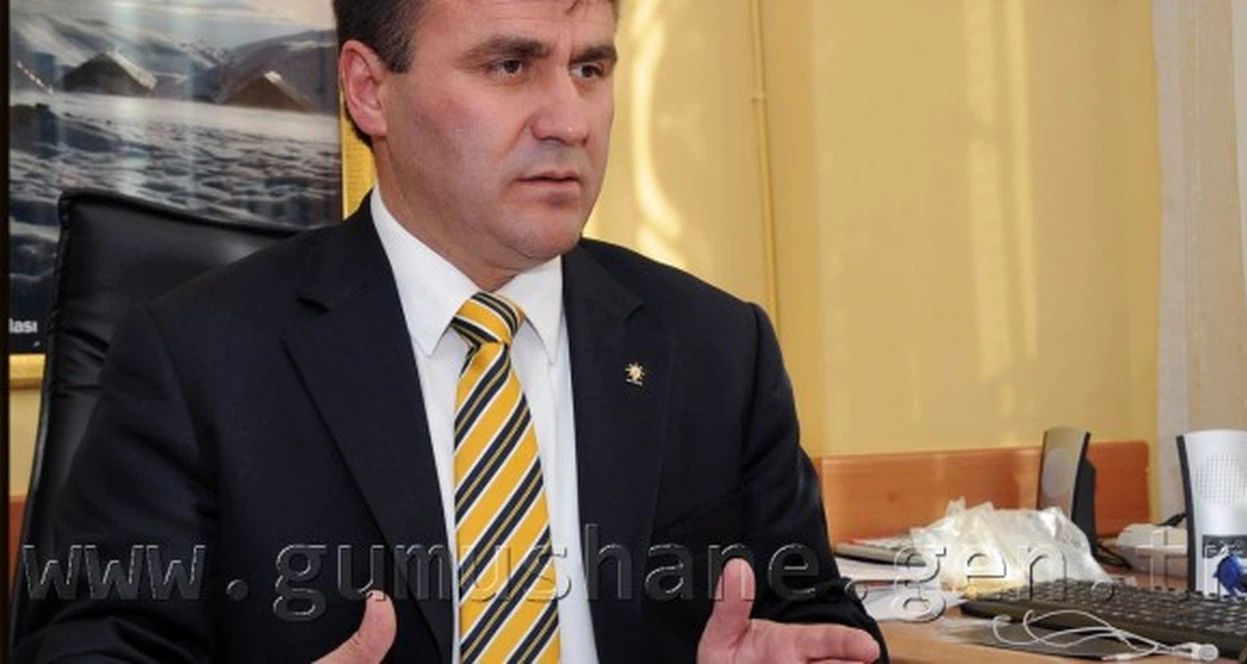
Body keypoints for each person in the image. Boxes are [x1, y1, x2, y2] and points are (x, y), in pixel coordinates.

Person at [15, 0, 887, 661]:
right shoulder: (196, 358)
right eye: (510, 66)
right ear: (370, 90)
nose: (571, 121)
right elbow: (93, 647)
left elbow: (811, 618)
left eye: (590, 68)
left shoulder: (719, 349)